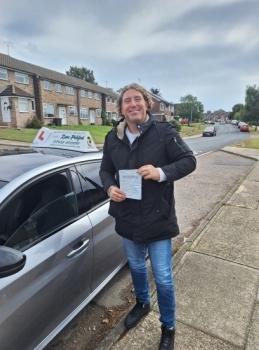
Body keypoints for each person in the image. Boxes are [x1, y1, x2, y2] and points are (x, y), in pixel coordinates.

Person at [99, 83, 196, 350]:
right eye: (127, 101)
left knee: (163, 277)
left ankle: (168, 326)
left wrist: (160, 172)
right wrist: (110, 188)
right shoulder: (112, 138)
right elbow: (105, 169)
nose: (133, 104)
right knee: (137, 267)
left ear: (147, 104)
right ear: (120, 108)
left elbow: (189, 161)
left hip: (158, 218)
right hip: (127, 218)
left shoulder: (164, 133)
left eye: (138, 99)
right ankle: (142, 302)